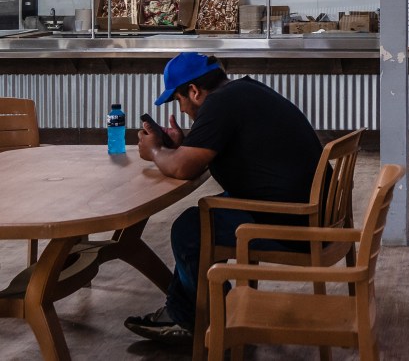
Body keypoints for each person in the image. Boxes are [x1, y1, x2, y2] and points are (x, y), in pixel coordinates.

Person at [124, 52, 324, 342]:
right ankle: (185, 314)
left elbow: (183, 167)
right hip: (308, 210)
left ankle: (216, 317)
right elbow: (200, 151)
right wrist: (180, 145)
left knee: (189, 230)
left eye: (179, 100)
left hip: (295, 223)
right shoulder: (242, 91)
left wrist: (155, 151)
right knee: (200, 220)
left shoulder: (219, 105)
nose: (181, 110)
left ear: (194, 91)